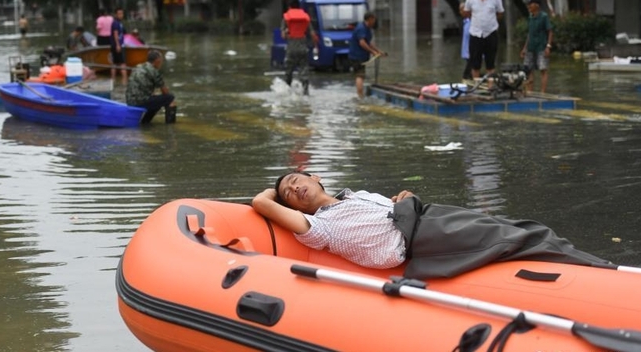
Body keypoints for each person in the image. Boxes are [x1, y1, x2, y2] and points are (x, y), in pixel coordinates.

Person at [252, 171, 612, 280]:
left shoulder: (355, 195)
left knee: (520, 226)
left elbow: (392, 210)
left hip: (428, 216)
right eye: (289, 193)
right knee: (521, 235)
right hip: (420, 238)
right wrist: (274, 192)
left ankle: (598, 269)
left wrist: (402, 198)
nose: (295, 189)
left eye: (296, 180)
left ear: (315, 177)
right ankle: (602, 271)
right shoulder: (319, 227)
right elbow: (260, 203)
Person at [463, 0, 504, 80]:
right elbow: (467, 13)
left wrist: (491, 21)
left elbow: (500, 13)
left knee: (490, 63)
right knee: (475, 63)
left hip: (491, 33)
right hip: (475, 33)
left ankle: (491, 86)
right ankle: (476, 85)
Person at [126, 50, 176, 124]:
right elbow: (165, 92)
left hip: (130, 101)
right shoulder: (153, 71)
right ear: (157, 60)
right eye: (161, 60)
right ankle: (170, 125)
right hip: (140, 101)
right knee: (170, 98)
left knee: (157, 100)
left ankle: (145, 122)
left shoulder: (138, 67)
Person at [281, 0, 317, 95]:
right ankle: (305, 92)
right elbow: (313, 34)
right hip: (303, 48)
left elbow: (283, 36)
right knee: (304, 71)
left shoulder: (286, 18)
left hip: (291, 49)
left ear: (290, 7)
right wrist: (315, 45)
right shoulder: (305, 17)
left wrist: (288, 33)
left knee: (288, 71)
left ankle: (287, 92)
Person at [348, 11, 385, 98]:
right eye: (374, 19)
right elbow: (362, 43)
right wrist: (372, 52)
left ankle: (360, 95)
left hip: (362, 56)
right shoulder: (361, 28)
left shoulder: (367, 29)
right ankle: (360, 96)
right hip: (356, 56)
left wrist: (378, 51)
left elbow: (369, 43)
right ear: (370, 19)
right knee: (360, 75)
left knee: (361, 75)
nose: (375, 22)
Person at [520, 0, 553, 94]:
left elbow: (550, 31)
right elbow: (529, 34)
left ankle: (543, 92)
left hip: (541, 47)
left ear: (537, 5)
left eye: (530, 4)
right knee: (528, 69)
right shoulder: (530, 17)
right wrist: (524, 48)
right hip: (531, 47)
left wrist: (548, 46)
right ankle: (530, 91)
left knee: (543, 69)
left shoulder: (544, 16)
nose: (528, 6)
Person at [110, 7, 128, 85]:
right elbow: (115, 34)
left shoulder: (120, 23)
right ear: (116, 14)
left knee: (115, 63)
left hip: (118, 45)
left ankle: (113, 81)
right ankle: (124, 82)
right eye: (119, 14)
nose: (121, 15)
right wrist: (118, 45)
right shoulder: (115, 23)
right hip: (118, 46)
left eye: (122, 13)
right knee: (122, 64)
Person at [459, 3, 472, 80]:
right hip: (466, 53)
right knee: (469, 72)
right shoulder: (465, 22)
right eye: (460, 10)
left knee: (466, 75)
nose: (460, 12)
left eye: (462, 10)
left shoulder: (472, 22)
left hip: (471, 53)